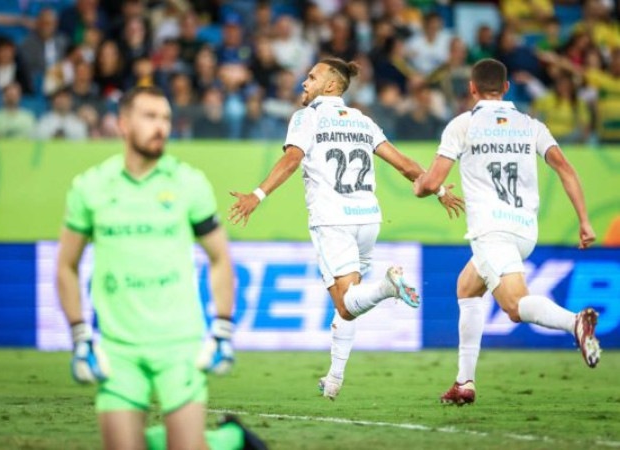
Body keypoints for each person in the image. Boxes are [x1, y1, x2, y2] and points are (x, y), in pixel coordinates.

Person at [229, 57, 464, 400]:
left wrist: (257, 195)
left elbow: (292, 159)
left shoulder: (306, 117)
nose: (303, 83)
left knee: (344, 305)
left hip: (333, 219)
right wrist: (439, 190)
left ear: (330, 85)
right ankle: (335, 379)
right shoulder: (361, 120)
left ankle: (387, 286)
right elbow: (404, 165)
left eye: (311, 77)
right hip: (368, 218)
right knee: (351, 301)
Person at [56, 86, 266, 450]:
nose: (161, 127)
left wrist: (223, 328)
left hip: (179, 346)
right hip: (118, 349)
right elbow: (65, 266)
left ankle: (230, 439)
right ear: (123, 124)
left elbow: (220, 257)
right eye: (150, 117)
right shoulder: (90, 188)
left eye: (166, 118)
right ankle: (228, 439)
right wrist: (79, 337)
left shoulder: (189, 183)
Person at [413, 58, 602, 406]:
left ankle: (575, 322)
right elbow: (566, 169)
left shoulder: (462, 125)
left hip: (491, 231)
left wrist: (421, 187)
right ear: (506, 88)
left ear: (472, 89)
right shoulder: (531, 125)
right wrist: (585, 221)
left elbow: (433, 182)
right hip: (524, 230)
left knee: (514, 306)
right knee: (467, 288)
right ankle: (464, 382)